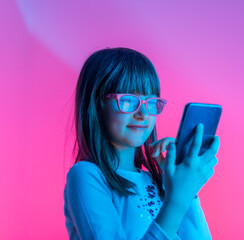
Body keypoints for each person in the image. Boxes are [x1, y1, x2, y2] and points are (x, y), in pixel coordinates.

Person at [63, 47, 220, 240]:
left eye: (151, 103)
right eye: (128, 101)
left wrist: (186, 190)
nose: (142, 114)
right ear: (97, 104)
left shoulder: (160, 182)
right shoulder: (86, 175)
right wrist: (178, 197)